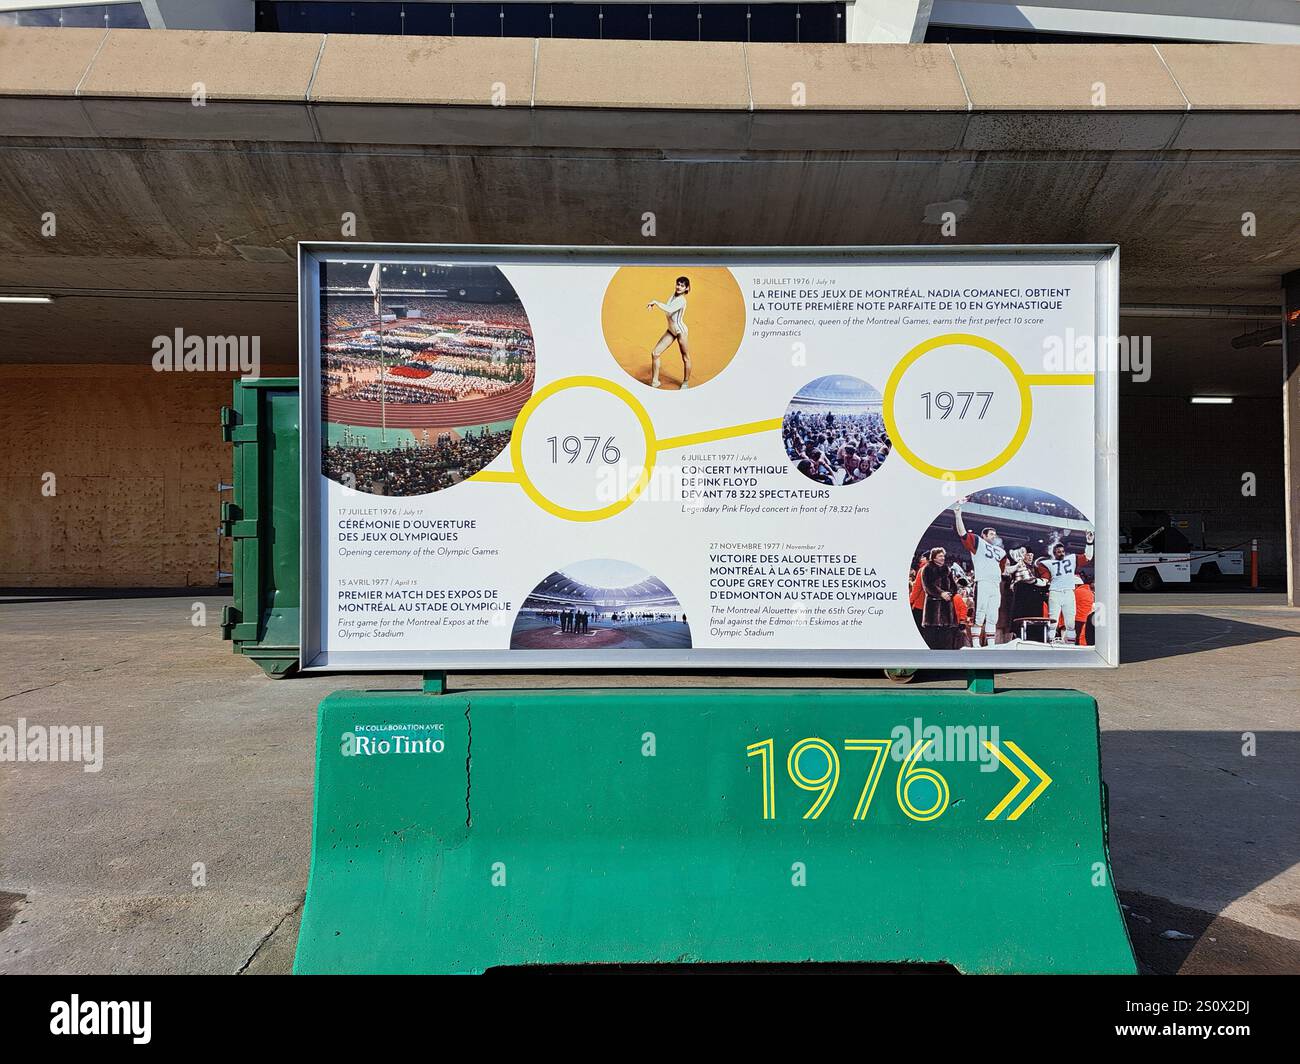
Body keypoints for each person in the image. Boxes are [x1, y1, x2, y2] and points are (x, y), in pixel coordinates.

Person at [954, 498, 1007, 647]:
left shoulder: (1000, 551)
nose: (993, 536)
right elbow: (963, 534)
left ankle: (991, 645)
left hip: (995, 583)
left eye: (995, 534)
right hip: (982, 581)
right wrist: (958, 515)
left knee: (993, 615)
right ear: (984, 535)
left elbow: (1002, 568)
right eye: (991, 534)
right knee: (980, 612)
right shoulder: (979, 542)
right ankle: (976, 644)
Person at [1036, 531, 1095, 644]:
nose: (1061, 553)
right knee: (1053, 622)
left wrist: (1089, 542)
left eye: (1062, 551)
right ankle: (1051, 643)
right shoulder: (1047, 563)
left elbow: (1088, 556)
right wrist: (1034, 581)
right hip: (1055, 592)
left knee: (1070, 624)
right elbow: (1044, 580)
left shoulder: (1071, 559)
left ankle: (1071, 645)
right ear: (1054, 553)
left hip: (1068, 592)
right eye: (1058, 551)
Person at [647, 276, 692, 390]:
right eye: (678, 284)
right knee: (655, 353)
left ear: (686, 288)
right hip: (671, 331)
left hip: (680, 332)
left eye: (682, 285)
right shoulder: (673, 296)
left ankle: (685, 383)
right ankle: (655, 382)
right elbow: (669, 309)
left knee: (685, 357)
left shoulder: (682, 300)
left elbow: (669, 310)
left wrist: (656, 302)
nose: (679, 287)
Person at [920, 546, 960, 650]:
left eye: (943, 556)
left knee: (946, 639)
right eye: (940, 556)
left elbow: (954, 586)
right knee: (931, 639)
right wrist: (941, 594)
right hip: (932, 610)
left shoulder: (947, 569)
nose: (943, 558)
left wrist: (949, 594)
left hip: (947, 609)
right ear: (933, 557)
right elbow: (927, 586)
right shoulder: (927, 569)